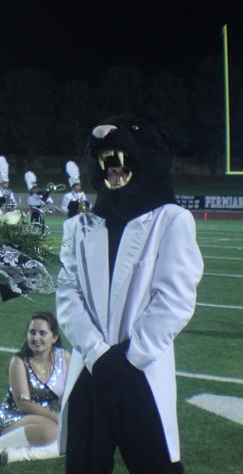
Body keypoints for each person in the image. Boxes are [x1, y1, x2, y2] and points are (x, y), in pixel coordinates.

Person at [56, 116, 204, 473]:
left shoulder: (171, 219)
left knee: (155, 466)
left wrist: (128, 358)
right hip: (91, 372)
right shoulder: (78, 226)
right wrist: (98, 353)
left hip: (141, 371)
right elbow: (67, 294)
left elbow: (175, 298)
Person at [0, 312, 69, 464]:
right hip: (15, 416)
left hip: (47, 417)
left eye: (42, 333)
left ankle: (15, 455)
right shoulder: (19, 361)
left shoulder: (64, 357)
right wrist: (57, 418)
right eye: (32, 332)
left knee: (75, 437)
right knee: (52, 432)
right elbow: (23, 404)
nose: (36, 338)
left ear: (54, 337)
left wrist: (68, 419)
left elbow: (67, 395)